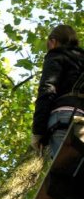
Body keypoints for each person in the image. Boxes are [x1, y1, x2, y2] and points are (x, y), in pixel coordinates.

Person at [31, 24, 84, 157]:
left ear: (53, 41)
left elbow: (47, 89)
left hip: (63, 118)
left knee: (68, 170)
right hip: (82, 117)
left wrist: (38, 132)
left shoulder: (56, 55)